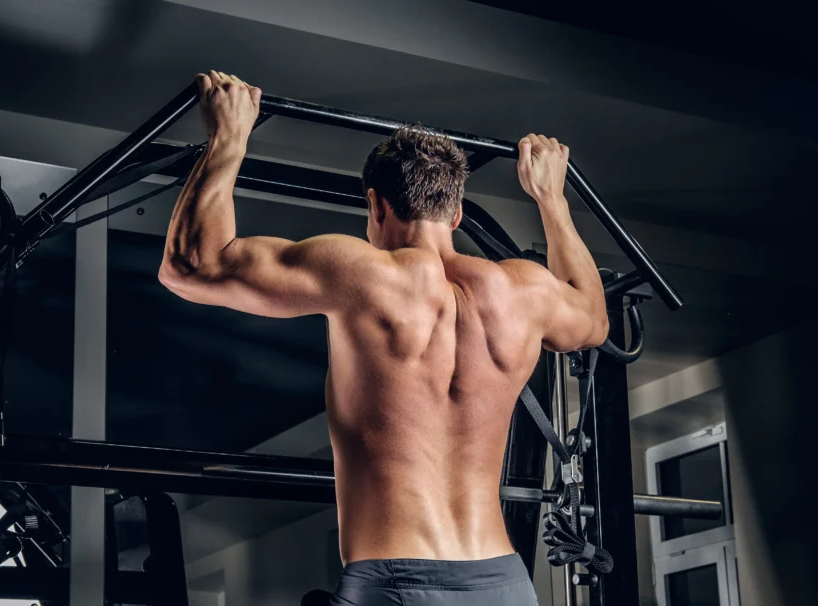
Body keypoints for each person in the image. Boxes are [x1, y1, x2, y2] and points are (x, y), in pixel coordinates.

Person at [159, 71, 608, 606]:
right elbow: (594, 320)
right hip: (505, 583)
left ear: (376, 206)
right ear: (457, 212)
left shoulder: (363, 272)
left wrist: (229, 138)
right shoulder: (524, 291)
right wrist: (551, 199)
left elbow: (190, 265)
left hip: (397, 584)